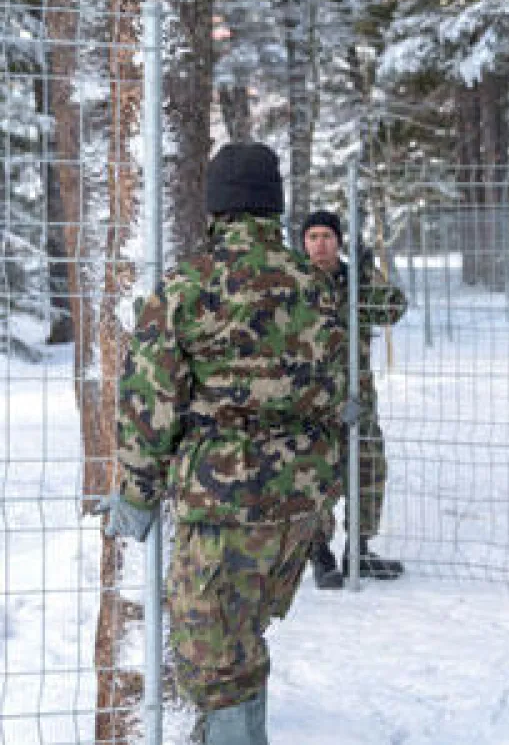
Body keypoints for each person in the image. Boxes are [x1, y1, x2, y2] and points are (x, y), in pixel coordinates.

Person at [103, 142, 348, 743]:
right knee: (243, 634)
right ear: (273, 207)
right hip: (300, 505)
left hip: (222, 505)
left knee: (213, 655)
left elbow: (148, 402)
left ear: (215, 207)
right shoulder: (316, 287)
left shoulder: (188, 287)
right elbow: (333, 389)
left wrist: (134, 495)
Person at [299, 209, 408, 587]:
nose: (320, 245)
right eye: (312, 237)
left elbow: (393, 309)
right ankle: (320, 553)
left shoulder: (354, 281)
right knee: (316, 478)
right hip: (311, 402)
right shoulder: (294, 282)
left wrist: (365, 274)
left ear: (339, 242)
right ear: (302, 243)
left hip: (358, 398)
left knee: (369, 469)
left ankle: (358, 549)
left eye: (327, 236)